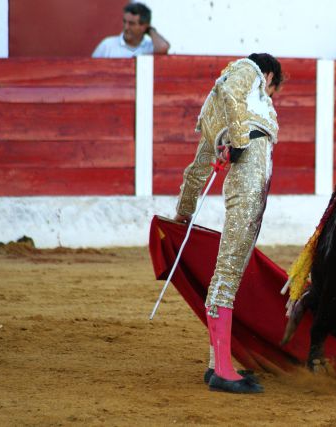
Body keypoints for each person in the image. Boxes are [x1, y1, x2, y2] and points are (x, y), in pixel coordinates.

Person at [173, 53, 283, 394]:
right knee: (229, 272)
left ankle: (215, 364)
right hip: (249, 177)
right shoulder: (246, 69)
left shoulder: (211, 110)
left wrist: (184, 213)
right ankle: (222, 370)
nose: (269, 96)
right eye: (273, 90)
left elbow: (198, 168)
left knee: (228, 269)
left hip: (244, 177)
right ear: (269, 77)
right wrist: (238, 142)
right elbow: (235, 95)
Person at [92, 2, 170, 58]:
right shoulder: (107, 45)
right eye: (124, 22)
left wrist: (151, 30)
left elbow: (163, 47)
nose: (126, 27)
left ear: (144, 26)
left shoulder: (150, 47)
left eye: (131, 24)